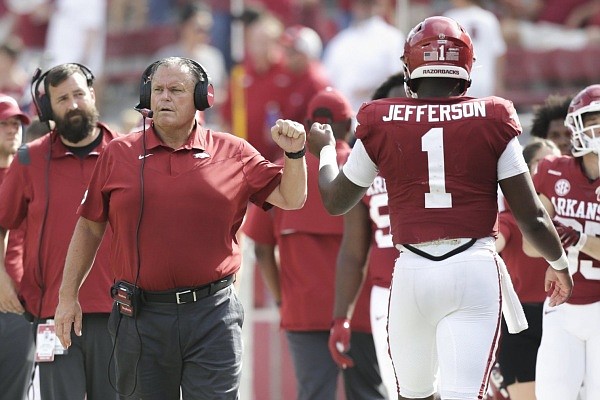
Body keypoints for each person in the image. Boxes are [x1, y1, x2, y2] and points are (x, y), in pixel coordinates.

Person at [307, 16, 573, 400]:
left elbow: (336, 200)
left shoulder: (380, 118)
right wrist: (559, 263)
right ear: (465, 66)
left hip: (412, 270)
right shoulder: (493, 116)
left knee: (414, 396)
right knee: (463, 394)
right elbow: (531, 215)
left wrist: (328, 151)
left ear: (410, 67)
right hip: (473, 269)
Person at [54, 56, 307, 400]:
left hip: (212, 316)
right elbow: (89, 227)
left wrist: (295, 155)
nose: (164, 98)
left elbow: (292, 199)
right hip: (140, 317)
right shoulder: (118, 154)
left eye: (175, 90)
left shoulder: (233, 152)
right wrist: (68, 296)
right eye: (157, 89)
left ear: (202, 97)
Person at [242, 86, 385, 400]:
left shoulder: (282, 172)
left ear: (307, 126)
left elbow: (261, 248)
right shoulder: (366, 169)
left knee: (314, 395)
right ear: (349, 127)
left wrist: (282, 301)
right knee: (369, 394)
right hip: (358, 311)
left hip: (303, 312)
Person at [0, 63, 119, 399]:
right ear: (48, 109)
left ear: (92, 95)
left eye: (79, 94)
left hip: (116, 314)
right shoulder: (27, 158)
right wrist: (1, 277)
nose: (74, 104)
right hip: (51, 315)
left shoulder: (124, 152)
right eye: (63, 98)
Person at [327, 72, 404, 400]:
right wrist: (341, 316)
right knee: (406, 391)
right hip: (388, 292)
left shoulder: (449, 147)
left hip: (446, 276)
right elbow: (354, 249)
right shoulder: (367, 157)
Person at [527, 84, 600, 400]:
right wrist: (554, 247)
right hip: (561, 305)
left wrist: (577, 237)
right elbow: (532, 243)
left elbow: (556, 231)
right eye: (593, 119)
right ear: (577, 127)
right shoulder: (553, 170)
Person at [495, 138, 561, 400]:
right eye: (541, 164)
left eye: (558, 164)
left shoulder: (575, 216)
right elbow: (493, 241)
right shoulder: (509, 218)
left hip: (565, 319)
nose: (550, 171)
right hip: (520, 322)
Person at [0, 93, 34, 400]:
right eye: (4, 123)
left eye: (17, 123)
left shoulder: (30, 175)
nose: (13, 129)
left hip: (20, 306)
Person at [443, 0, 507, 98]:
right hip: (485, 81)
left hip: (457, 80)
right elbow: (499, 53)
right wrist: (498, 83)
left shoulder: (450, 18)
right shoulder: (488, 18)